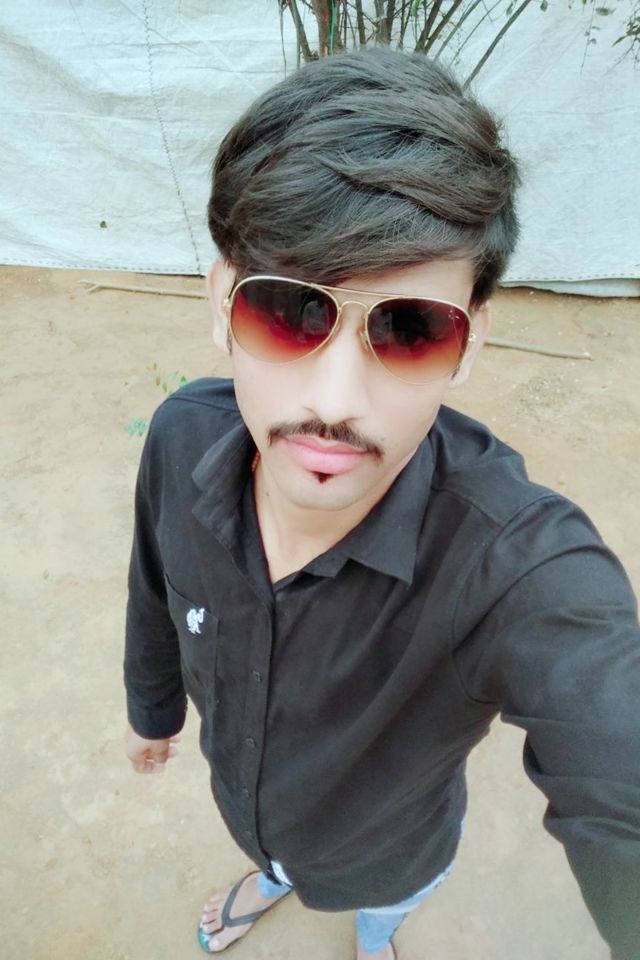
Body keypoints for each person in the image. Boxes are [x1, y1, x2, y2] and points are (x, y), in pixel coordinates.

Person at [123, 49, 640, 960]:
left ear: (469, 343)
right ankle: (272, 874)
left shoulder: (519, 569)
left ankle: (378, 934)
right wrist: (153, 710)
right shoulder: (179, 437)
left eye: (408, 328)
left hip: (392, 857)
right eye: (290, 310)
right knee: (277, 859)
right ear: (220, 301)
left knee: (383, 907)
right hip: (249, 811)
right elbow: (154, 590)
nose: (336, 399)